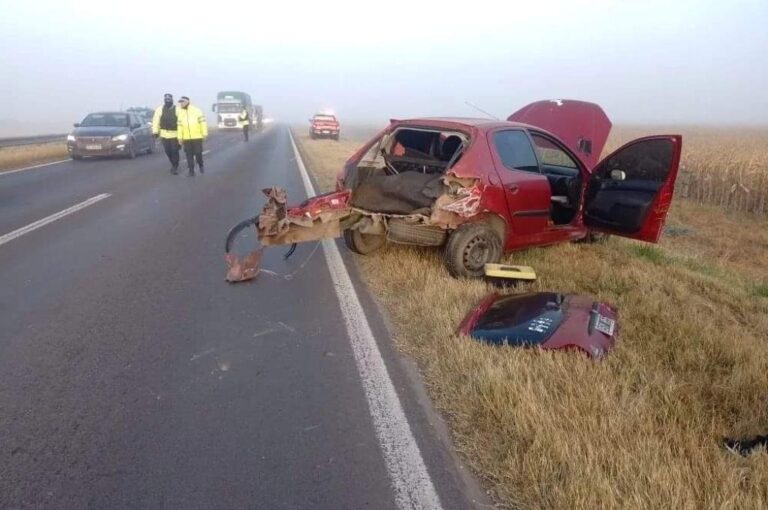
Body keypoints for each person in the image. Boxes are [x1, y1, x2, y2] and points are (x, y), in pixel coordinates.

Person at [176, 96, 208, 176]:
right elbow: (179, 126)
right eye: (180, 102)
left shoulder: (197, 110)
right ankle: (191, 171)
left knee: (198, 153)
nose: (181, 104)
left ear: (187, 102)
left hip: (197, 137)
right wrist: (179, 138)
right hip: (186, 138)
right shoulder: (180, 112)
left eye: (182, 102)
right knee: (188, 155)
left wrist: (204, 134)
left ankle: (201, 164)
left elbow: (203, 123)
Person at [152, 93, 181, 174]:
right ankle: (172, 163)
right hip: (164, 134)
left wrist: (182, 135)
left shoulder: (177, 109)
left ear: (172, 100)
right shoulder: (159, 109)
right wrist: (155, 131)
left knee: (174, 150)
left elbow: (181, 122)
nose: (167, 101)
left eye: (169, 100)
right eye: (166, 100)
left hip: (175, 134)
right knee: (168, 151)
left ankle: (175, 166)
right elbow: (155, 121)